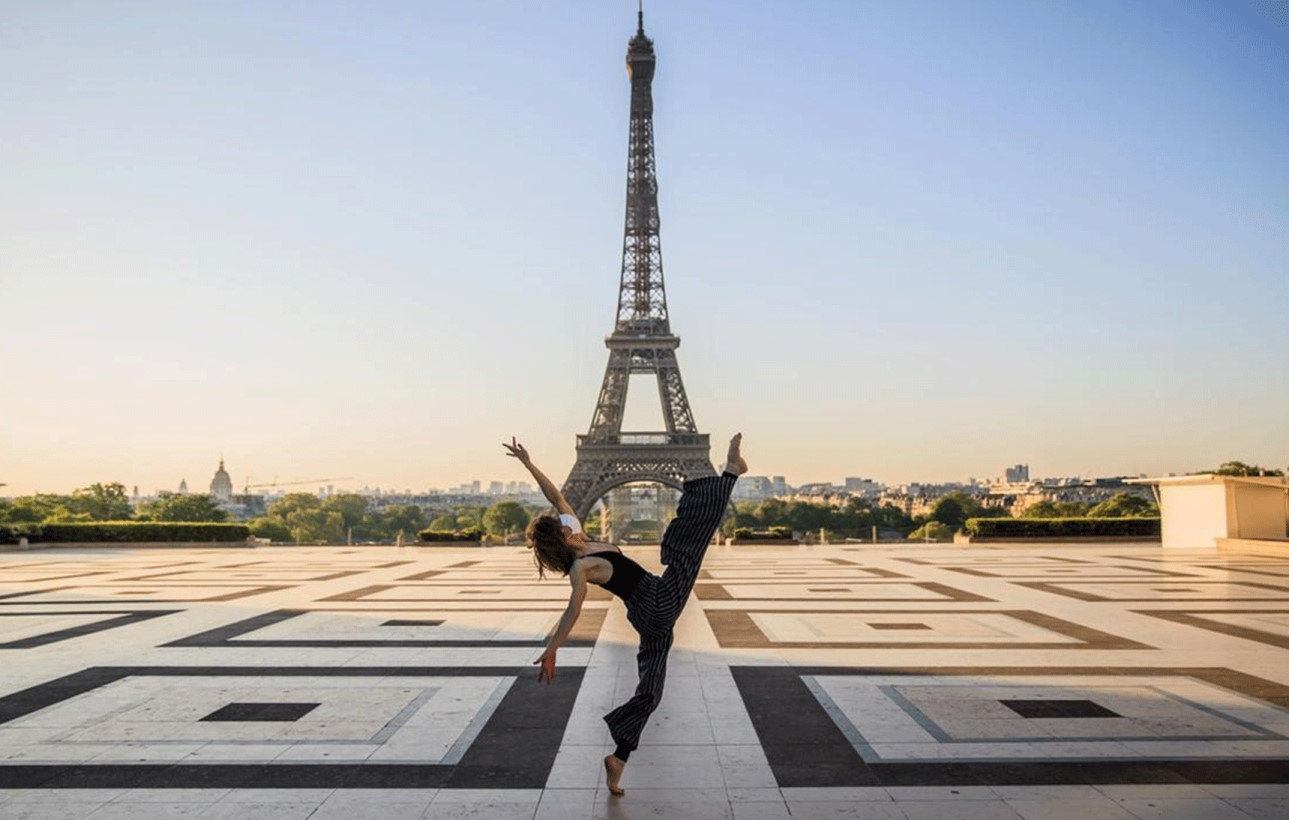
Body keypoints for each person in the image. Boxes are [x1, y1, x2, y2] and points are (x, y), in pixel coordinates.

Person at [503, 434, 746, 796]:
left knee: (650, 690)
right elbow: (573, 611)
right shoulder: (580, 566)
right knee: (686, 549)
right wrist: (554, 648)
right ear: (561, 541)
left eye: (566, 525)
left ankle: (618, 759)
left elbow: (555, 496)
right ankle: (730, 473)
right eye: (563, 529)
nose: (568, 526)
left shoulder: (579, 537)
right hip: (655, 601)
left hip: (647, 611)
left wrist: (527, 463)